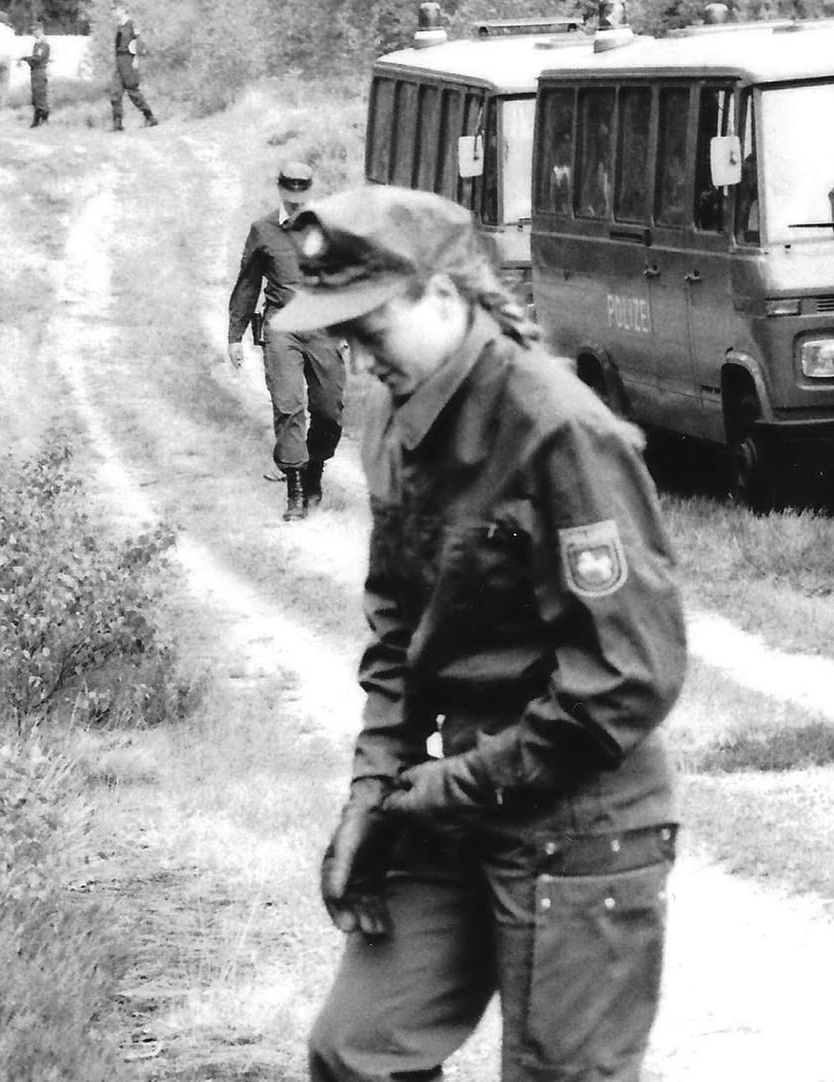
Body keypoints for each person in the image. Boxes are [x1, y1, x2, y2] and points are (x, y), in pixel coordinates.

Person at [274, 187, 688, 1082]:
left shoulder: (560, 431)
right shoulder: (398, 413)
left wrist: (433, 794)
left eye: (370, 325)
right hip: (458, 798)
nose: (357, 352)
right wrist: (370, 799)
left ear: (443, 295)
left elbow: (626, 682)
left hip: (579, 820)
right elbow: (396, 634)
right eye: (341, 331)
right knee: (356, 1051)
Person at [227, 161, 345, 521]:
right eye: (289, 192)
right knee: (289, 404)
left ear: (310, 191)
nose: (295, 200)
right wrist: (235, 336)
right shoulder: (263, 230)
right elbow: (248, 284)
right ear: (280, 190)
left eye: (302, 193)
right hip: (282, 329)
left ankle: (314, 473)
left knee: (329, 410)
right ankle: (295, 490)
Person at [107, 3, 157, 132]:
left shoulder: (131, 25)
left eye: (116, 9)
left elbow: (138, 44)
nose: (114, 12)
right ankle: (117, 123)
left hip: (128, 61)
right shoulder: (119, 27)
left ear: (123, 10)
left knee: (133, 91)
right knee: (115, 92)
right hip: (119, 62)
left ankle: (150, 117)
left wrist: (136, 59)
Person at [20, 21, 51, 127]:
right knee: (36, 98)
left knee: (40, 97)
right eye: (32, 30)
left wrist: (25, 58)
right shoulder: (38, 43)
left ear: (40, 30)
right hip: (35, 72)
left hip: (39, 72)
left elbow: (37, 58)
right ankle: (36, 122)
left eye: (35, 30)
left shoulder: (43, 43)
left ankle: (44, 121)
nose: (33, 32)